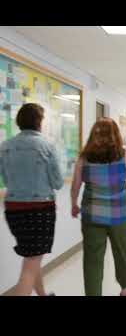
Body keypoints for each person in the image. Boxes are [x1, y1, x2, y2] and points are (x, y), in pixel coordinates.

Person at [70, 117, 126, 296]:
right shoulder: (124, 156)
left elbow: (76, 185)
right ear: (116, 134)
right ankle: (125, 286)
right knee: (122, 252)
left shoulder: (84, 158)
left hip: (92, 215)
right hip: (120, 215)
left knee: (92, 260)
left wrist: (73, 205)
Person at [0, 103, 63, 296]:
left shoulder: (5, 146)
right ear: (38, 122)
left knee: (31, 257)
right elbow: (58, 182)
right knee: (31, 263)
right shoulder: (46, 146)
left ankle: (42, 295)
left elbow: (4, 177)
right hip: (40, 210)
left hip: (13, 210)